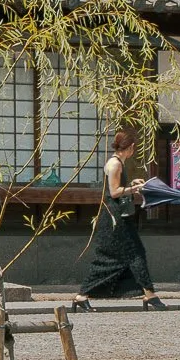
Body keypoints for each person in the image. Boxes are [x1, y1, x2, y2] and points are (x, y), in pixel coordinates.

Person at [73, 127, 167, 310]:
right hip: (115, 218)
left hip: (116, 216)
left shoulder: (116, 163)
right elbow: (114, 192)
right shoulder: (115, 164)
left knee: (119, 257)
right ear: (131, 147)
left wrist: (132, 183)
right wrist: (135, 189)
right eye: (134, 148)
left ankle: (82, 296)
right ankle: (150, 295)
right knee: (132, 254)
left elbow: (116, 187)